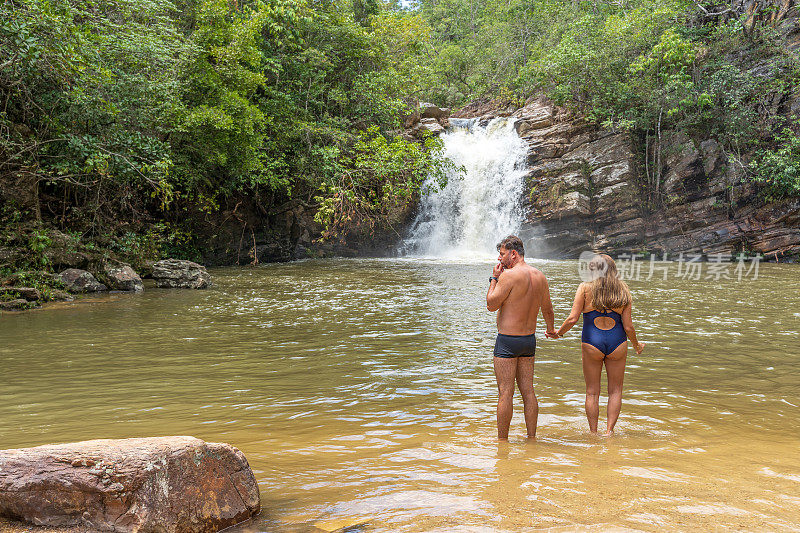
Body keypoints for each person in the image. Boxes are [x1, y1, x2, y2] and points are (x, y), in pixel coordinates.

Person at [554, 253, 645, 435]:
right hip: (617, 342)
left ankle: (593, 433)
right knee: (615, 391)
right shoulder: (623, 291)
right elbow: (628, 326)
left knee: (592, 392)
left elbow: (572, 318)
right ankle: (609, 432)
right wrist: (636, 345)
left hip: (591, 342)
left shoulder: (585, 288)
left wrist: (558, 333)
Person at [486, 235, 557, 440]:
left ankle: (502, 442)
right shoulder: (539, 276)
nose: (500, 260)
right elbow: (548, 309)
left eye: (502, 254)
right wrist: (551, 329)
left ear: (513, 253)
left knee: (505, 393)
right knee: (528, 392)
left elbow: (491, 305)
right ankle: (532, 438)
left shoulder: (509, 276)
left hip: (507, 341)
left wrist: (494, 278)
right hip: (528, 341)